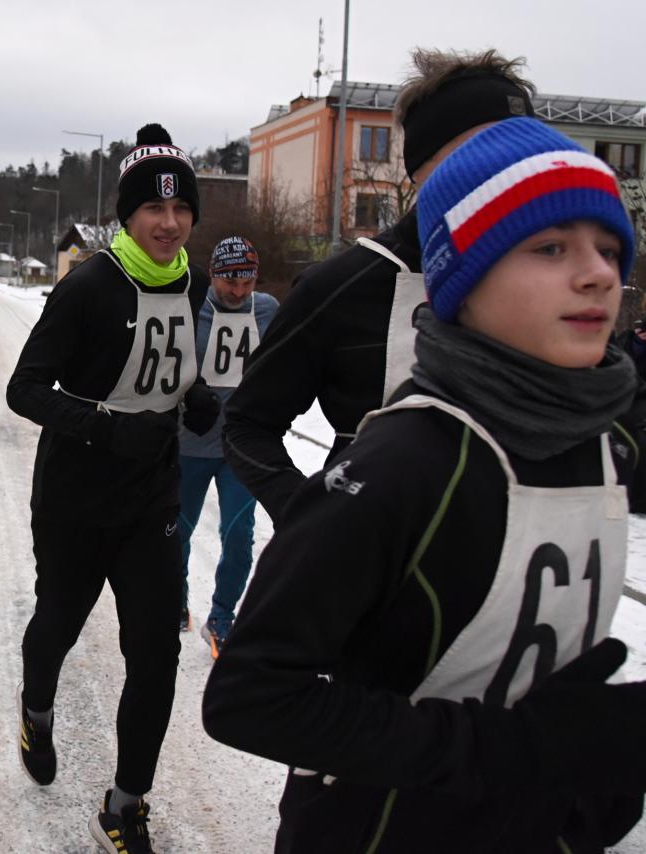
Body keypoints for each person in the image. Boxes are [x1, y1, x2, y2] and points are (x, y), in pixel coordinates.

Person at [202, 117, 646, 853]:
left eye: (609, 248)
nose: (598, 273)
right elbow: (248, 698)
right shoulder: (404, 462)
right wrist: (512, 749)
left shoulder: (610, 444)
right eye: (550, 247)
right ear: (464, 278)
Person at [6, 123, 219, 854]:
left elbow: (173, 365)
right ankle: (36, 709)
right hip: (75, 494)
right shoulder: (89, 286)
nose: (169, 223)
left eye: (181, 209)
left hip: (152, 498)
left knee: (156, 653)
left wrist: (194, 397)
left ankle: (125, 805)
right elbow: (24, 388)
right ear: (127, 216)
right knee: (59, 625)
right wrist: (103, 425)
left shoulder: (194, 284)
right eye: (154, 209)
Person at [222, 49, 537, 527]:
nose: (506, 170)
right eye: (483, 151)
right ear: (423, 167)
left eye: (524, 154)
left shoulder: (554, 281)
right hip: (373, 559)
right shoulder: (341, 286)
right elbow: (247, 423)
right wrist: (310, 518)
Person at [176, 236, 278, 657]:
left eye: (247, 282)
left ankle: (222, 617)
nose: (238, 291)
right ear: (213, 274)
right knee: (176, 531)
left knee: (239, 534)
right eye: (229, 282)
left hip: (239, 444)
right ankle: (176, 599)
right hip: (189, 442)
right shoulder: (190, 305)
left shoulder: (267, 310)